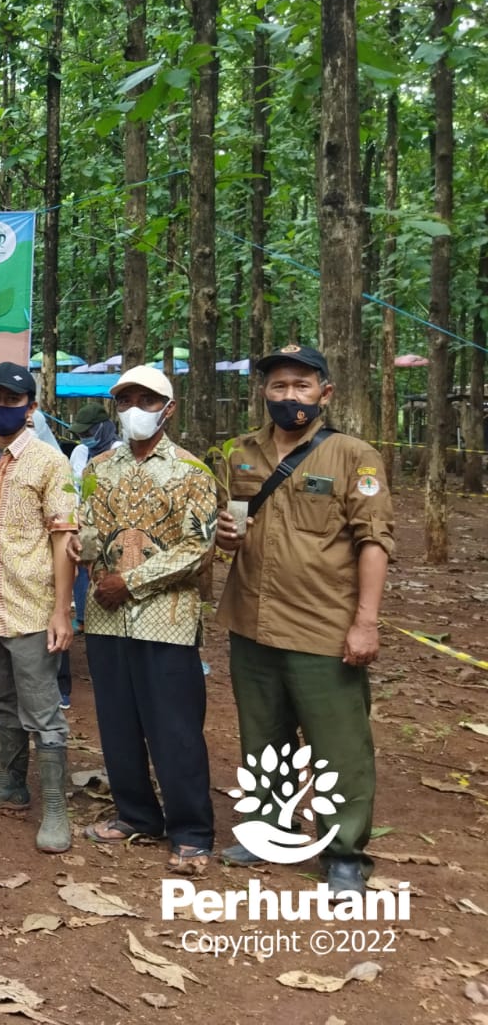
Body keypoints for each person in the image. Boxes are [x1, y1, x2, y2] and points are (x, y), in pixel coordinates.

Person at [215, 344, 393, 895]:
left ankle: (343, 853)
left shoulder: (353, 457)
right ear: (263, 393)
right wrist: (223, 539)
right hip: (252, 621)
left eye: (301, 385)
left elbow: (374, 541)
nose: (288, 396)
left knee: (338, 745)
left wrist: (366, 622)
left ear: (325, 393)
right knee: (263, 738)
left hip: (322, 627)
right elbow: (231, 530)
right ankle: (269, 826)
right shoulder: (240, 454)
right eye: (277, 386)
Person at [78, 365, 218, 874]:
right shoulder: (98, 468)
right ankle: (136, 814)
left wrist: (129, 582)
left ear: (168, 408)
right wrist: (88, 557)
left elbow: (197, 548)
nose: (134, 409)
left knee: (174, 727)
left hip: (168, 616)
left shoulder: (191, 472)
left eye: (146, 399)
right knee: (117, 722)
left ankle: (191, 830)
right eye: (125, 400)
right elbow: (88, 528)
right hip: (104, 614)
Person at [0, 363, 78, 853]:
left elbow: (64, 537)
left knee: (43, 712)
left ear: (32, 408)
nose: (2, 408)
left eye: (12, 400)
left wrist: (62, 610)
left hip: (29, 607)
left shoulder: (50, 463)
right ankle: (8, 783)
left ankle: (55, 809)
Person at [60, 402, 119, 708]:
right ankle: (84, 619)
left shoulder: (121, 451)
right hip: (85, 527)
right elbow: (74, 487)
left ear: (104, 428)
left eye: (90, 433)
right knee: (83, 578)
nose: (85, 439)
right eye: (81, 434)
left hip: (116, 534)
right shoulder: (81, 453)